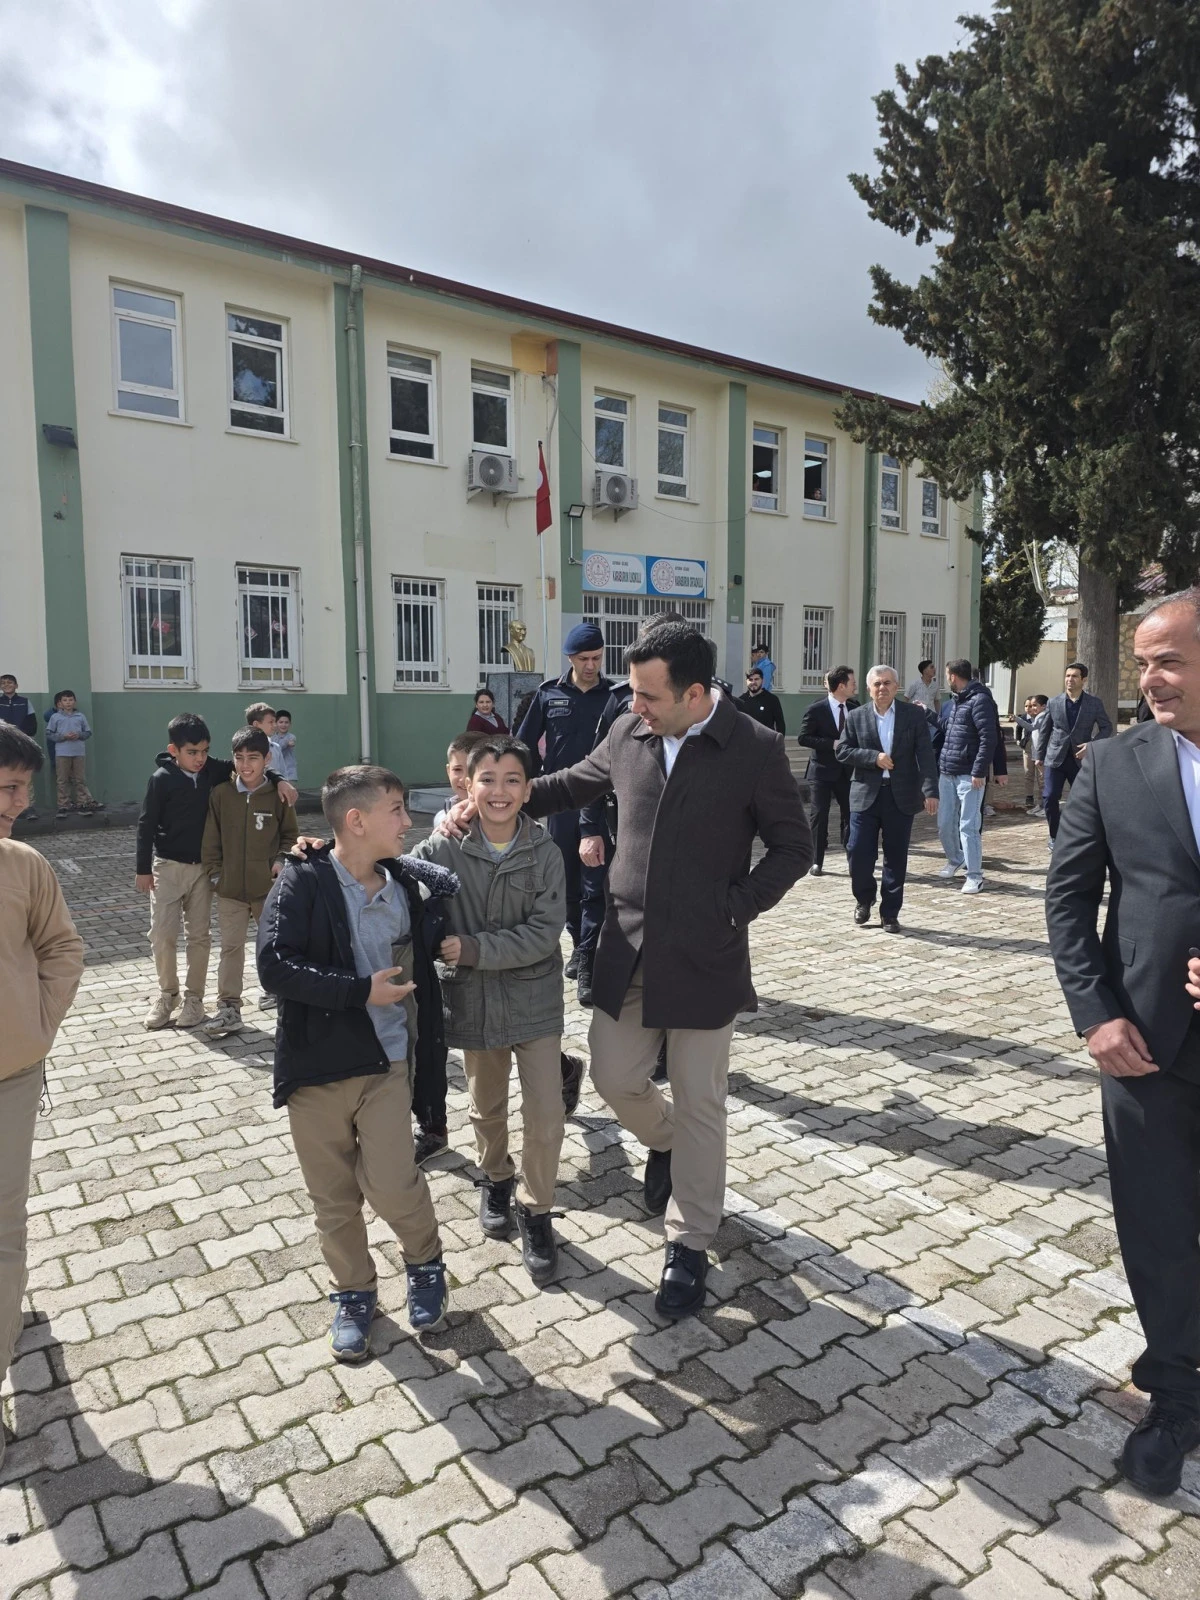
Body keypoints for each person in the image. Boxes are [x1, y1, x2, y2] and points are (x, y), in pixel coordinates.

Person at [451, 623, 812, 1319]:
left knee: (703, 1101)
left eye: (648, 694)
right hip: (628, 945)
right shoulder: (628, 734)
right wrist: (493, 799)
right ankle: (668, 1143)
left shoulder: (755, 749)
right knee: (616, 1078)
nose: (633, 703)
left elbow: (793, 847)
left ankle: (688, 1242)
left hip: (706, 955)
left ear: (696, 693)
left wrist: (734, 909)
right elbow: (568, 783)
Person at [1047, 589, 1200, 1496]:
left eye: (1168, 660)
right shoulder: (1110, 764)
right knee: (1156, 1230)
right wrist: (1095, 1013)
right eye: (1142, 662)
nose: (1148, 679)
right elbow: (1067, 901)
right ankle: (1176, 1397)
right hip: (1144, 1046)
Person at [257, 765, 454, 1352]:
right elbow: (274, 968)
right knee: (334, 1197)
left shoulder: (407, 886)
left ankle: (425, 1264)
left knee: (393, 1182)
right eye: (396, 809)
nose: (408, 820)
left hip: (386, 1062)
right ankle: (354, 1292)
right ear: (356, 820)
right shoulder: (301, 880)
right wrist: (358, 990)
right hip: (316, 1067)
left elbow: (446, 888)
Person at [412, 736, 568, 1285]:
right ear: (467, 786)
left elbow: (545, 933)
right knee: (485, 1106)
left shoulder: (545, 852)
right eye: (487, 780)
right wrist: (326, 850)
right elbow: (389, 876)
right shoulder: (444, 848)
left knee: (547, 1113)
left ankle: (537, 1208)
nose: (499, 791)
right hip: (474, 1001)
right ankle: (496, 1179)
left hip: (535, 999)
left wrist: (474, 948)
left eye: (511, 781)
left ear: (528, 789)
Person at [0, 724, 85, 1465]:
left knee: (3, 1235)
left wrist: (34, 1024)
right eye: (6, 787)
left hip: (11, 1079)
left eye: (24, 789)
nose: (19, 804)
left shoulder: (24, 866)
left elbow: (61, 946)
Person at [135, 713, 298, 1032]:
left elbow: (255, 766)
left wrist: (279, 780)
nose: (199, 759)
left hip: (234, 879)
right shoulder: (173, 781)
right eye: (191, 752)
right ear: (174, 750)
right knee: (165, 935)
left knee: (205, 937)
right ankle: (175, 996)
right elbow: (148, 825)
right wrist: (144, 869)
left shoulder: (222, 773)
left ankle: (197, 1000)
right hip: (178, 870)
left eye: (204, 751)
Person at [516, 622, 613, 1002]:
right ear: (570, 658)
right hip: (560, 802)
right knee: (565, 880)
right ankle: (577, 941)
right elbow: (523, 746)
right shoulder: (548, 695)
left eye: (597, 658)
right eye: (584, 659)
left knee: (595, 880)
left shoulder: (615, 696)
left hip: (603, 802)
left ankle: (588, 956)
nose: (591, 666)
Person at [201, 727, 299, 1037]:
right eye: (239, 758)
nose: (246, 765)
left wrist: (281, 860)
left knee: (272, 946)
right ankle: (229, 1008)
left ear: (267, 759)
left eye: (253, 758)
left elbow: (290, 835)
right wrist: (215, 875)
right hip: (230, 889)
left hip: (267, 891)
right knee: (230, 949)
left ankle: (283, 1001)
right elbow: (211, 840)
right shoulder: (221, 794)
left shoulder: (279, 796)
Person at [836, 665, 938, 932]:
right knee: (857, 852)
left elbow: (925, 755)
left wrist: (930, 791)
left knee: (895, 857)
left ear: (897, 686)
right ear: (869, 689)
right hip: (864, 795)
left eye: (888, 683)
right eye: (877, 684)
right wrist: (874, 758)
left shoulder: (913, 716)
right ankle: (864, 898)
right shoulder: (856, 716)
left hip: (900, 796)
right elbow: (843, 751)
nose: (882, 688)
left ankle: (890, 913)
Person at [1035, 662, 1114, 849]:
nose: (1069, 680)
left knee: (1083, 800)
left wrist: (1092, 745)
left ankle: (1082, 836)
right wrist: (1039, 755)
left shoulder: (1094, 703)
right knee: (1049, 797)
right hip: (1056, 758)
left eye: (1074, 676)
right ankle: (1055, 836)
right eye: (1067, 676)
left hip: (1080, 759)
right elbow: (1045, 730)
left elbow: (1107, 727)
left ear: (1083, 680)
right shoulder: (1054, 703)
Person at [934, 658, 996, 894]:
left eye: (947, 674)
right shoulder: (958, 701)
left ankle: (975, 875)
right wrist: (927, 714)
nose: (946, 678)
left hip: (969, 775)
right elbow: (949, 729)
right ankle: (956, 858)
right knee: (944, 823)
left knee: (968, 826)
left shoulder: (980, 700)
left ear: (953, 676)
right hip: (948, 772)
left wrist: (979, 771)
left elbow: (988, 738)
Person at [797, 667, 859, 877]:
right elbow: (803, 738)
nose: (855, 685)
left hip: (848, 771)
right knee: (819, 815)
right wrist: (831, 743)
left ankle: (852, 857)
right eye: (852, 682)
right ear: (841, 685)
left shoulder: (855, 707)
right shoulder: (816, 709)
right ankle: (816, 861)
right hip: (822, 771)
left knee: (851, 814)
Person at [46, 690, 100, 817]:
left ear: (74, 702)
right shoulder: (55, 717)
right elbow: (49, 734)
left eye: (70, 700)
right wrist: (63, 736)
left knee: (80, 779)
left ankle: (82, 803)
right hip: (62, 753)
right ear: (60, 703)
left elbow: (87, 732)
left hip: (78, 752)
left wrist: (79, 735)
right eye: (65, 700)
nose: (68, 703)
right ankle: (63, 805)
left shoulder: (80, 716)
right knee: (62, 780)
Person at [737, 669, 786, 734]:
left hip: (767, 741)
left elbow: (780, 725)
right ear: (746, 681)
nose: (753, 682)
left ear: (762, 681)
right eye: (750, 680)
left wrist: (779, 742)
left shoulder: (772, 700)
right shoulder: (741, 701)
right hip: (746, 742)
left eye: (756, 679)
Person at [245, 701, 285, 772]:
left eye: (275, 722)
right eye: (271, 722)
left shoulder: (276, 748)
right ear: (256, 724)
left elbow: (283, 775)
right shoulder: (245, 748)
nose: (275, 725)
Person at [273, 710, 298, 783]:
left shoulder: (291, 737)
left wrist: (287, 743)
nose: (283, 725)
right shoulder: (273, 738)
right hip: (276, 771)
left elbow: (279, 748)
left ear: (290, 724)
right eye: (281, 722)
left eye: (286, 722)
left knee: (288, 792)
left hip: (289, 771)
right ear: (276, 723)